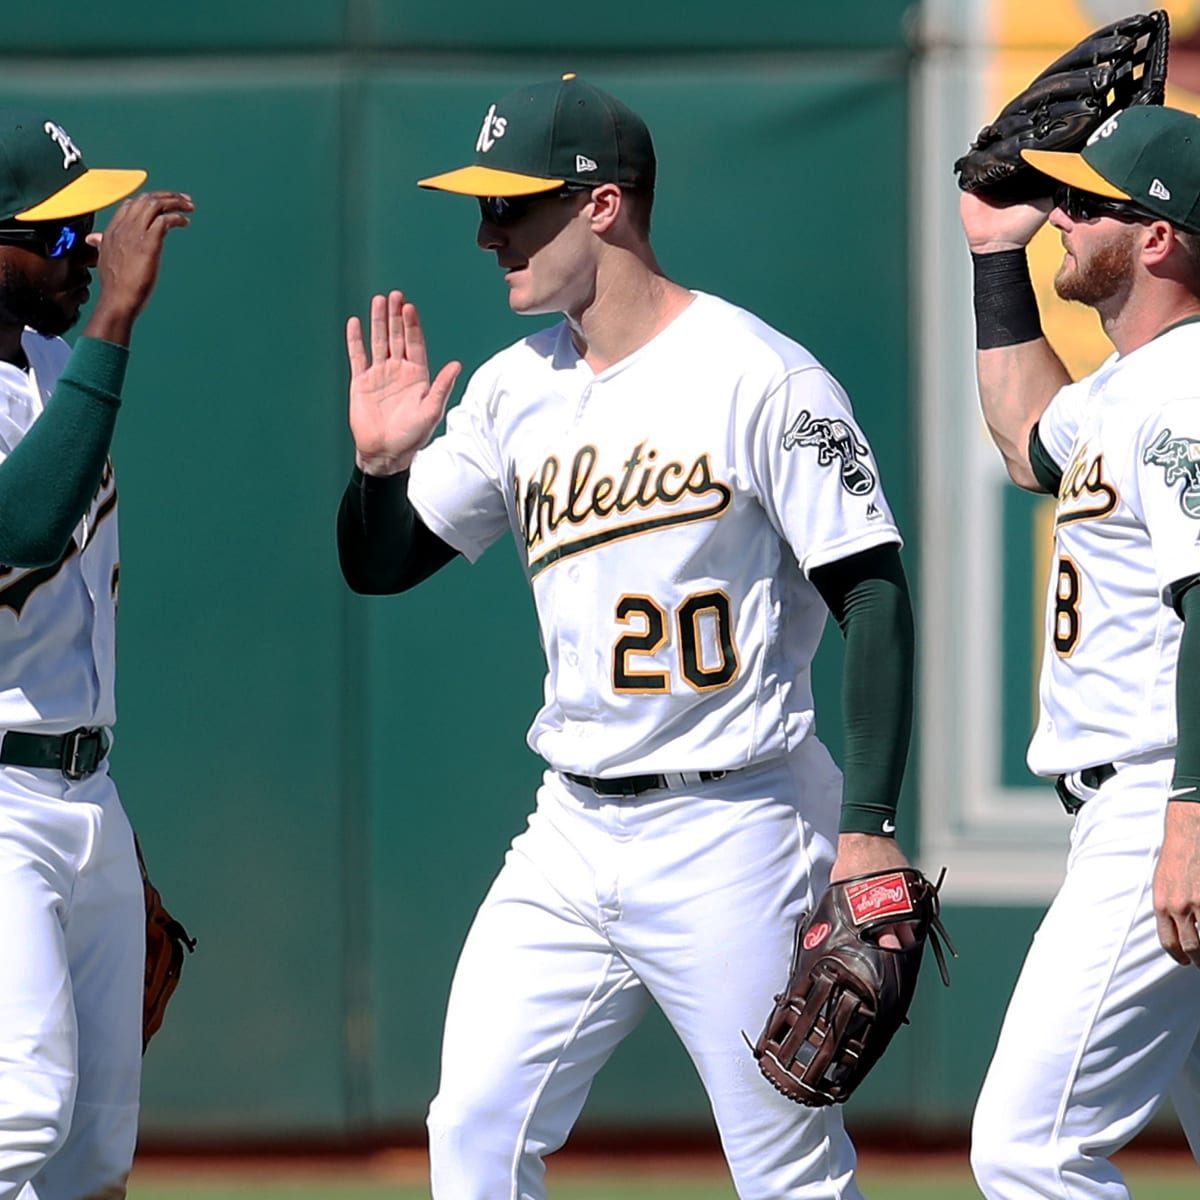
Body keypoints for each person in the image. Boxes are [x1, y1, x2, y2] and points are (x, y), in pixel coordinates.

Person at [338, 74, 915, 1199]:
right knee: (473, 1133)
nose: (485, 231)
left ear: (601, 205)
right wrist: (378, 471)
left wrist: (868, 831)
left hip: (735, 823)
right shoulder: (516, 390)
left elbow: (874, 595)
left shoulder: (762, 376)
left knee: (787, 1171)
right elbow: (381, 563)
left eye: (512, 206)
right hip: (571, 828)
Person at [960, 105, 1200, 1197]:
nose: (1056, 213)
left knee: (1028, 1150)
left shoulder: (1187, 387)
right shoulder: (1118, 388)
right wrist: (993, 257)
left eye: (1081, 203)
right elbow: (1024, 441)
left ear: (1155, 236)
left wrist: (1190, 819)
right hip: (1144, 806)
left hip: (1165, 800)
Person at [0, 110, 191, 1198]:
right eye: (58, 235)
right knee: (16, 1119)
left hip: (82, 791)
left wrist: (100, 824)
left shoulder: (54, 364)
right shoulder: (91, 353)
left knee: (91, 1154)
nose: (86, 253)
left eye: (90, 232)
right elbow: (18, 529)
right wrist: (118, 313)